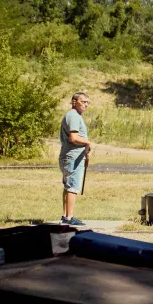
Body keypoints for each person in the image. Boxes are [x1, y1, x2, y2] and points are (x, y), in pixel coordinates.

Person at [59, 91, 93, 227]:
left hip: (71, 156)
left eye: (87, 102)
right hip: (72, 156)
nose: (86, 104)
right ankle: (69, 217)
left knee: (68, 186)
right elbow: (73, 138)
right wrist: (88, 143)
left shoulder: (74, 116)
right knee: (72, 186)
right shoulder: (73, 116)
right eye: (83, 101)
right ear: (74, 102)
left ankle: (65, 215)